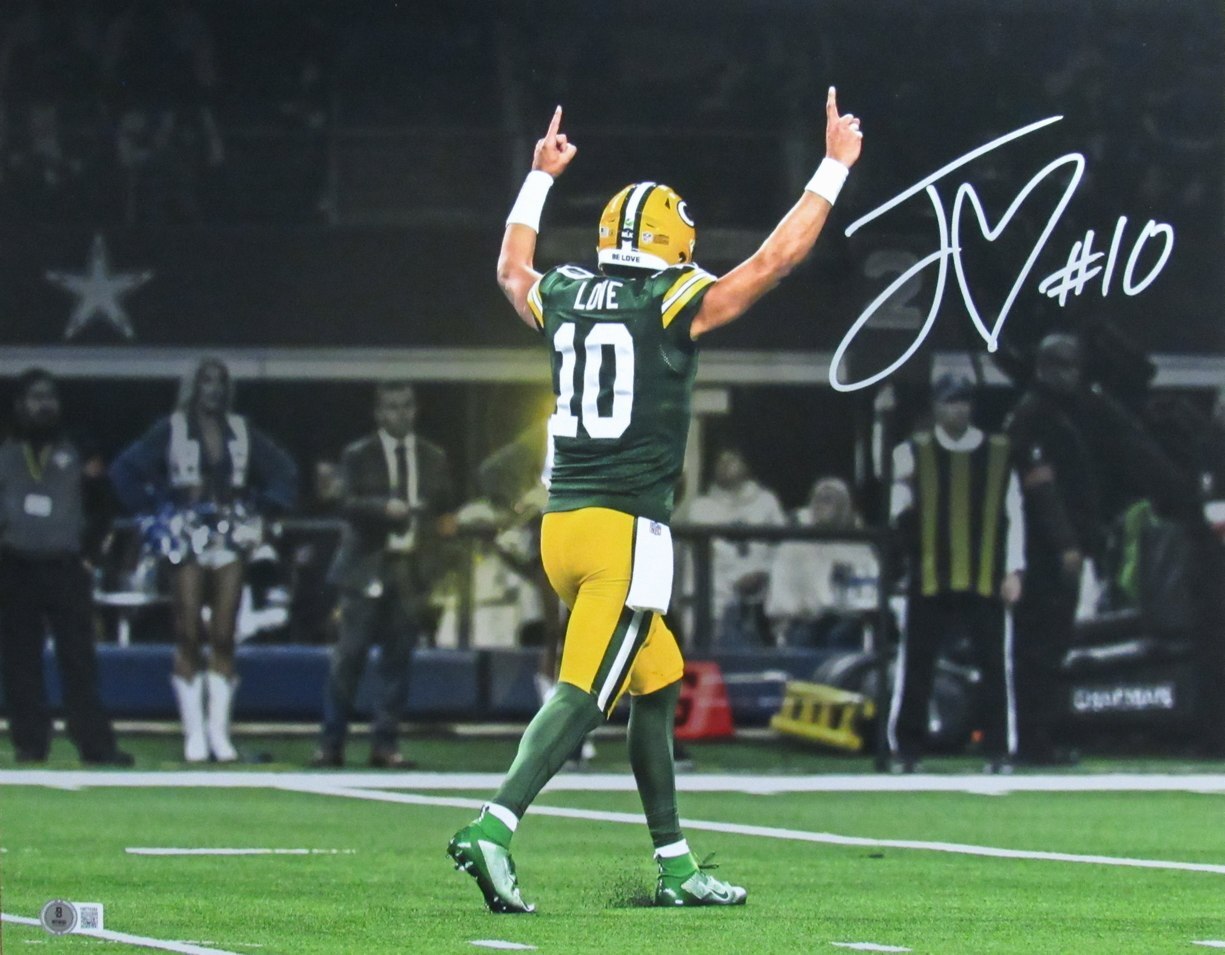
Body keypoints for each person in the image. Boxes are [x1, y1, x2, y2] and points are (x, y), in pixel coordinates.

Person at [447, 90, 863, 913]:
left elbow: (509, 269)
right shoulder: (666, 301)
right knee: (583, 692)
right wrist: (832, 168)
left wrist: (538, 179)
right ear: (673, 244)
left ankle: (674, 864)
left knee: (659, 678)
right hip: (624, 530)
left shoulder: (569, 291)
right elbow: (770, 265)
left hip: (563, 527)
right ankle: (493, 826)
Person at [110, 357, 297, 762]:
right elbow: (124, 469)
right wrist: (154, 508)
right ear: (193, 387)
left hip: (231, 530)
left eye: (220, 381)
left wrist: (263, 508)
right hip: (186, 528)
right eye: (206, 381)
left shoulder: (242, 430)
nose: (213, 389)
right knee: (189, 631)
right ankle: (194, 735)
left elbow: (283, 471)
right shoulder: (172, 428)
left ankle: (219, 734)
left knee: (225, 633)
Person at [311, 381, 456, 769]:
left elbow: (443, 508)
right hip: (364, 568)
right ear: (378, 413)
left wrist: (434, 564)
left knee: (398, 659)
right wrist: (384, 509)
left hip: (409, 569)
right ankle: (331, 743)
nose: (400, 414)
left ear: (415, 409)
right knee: (349, 657)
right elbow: (345, 502)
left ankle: (385, 744)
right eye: (392, 407)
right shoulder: (358, 455)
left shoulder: (433, 457)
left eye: (406, 406)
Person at [886, 374, 1025, 773]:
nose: (958, 409)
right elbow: (899, 511)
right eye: (950, 401)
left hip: (984, 573)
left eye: (963, 401)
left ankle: (998, 749)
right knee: (917, 664)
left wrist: (1014, 570)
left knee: (994, 665)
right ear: (936, 407)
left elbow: (1013, 513)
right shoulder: (911, 452)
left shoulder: (998, 452)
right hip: (930, 573)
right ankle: (907, 749)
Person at [0, 368, 132, 765]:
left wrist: (90, 555)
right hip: (15, 567)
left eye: (50, 397)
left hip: (66, 567)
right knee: (19, 661)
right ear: (19, 404)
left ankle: (95, 745)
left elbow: (105, 505)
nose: (45, 405)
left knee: (79, 660)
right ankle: (30, 743)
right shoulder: (4, 447)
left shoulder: (79, 448)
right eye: (36, 397)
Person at [1005, 336, 1097, 765]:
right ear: (1044, 367)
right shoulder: (1035, 415)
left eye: (1074, 366)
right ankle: (1033, 740)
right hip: (1042, 551)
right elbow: (1040, 488)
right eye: (1062, 366)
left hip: (1058, 546)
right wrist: (1065, 543)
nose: (1070, 374)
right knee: (1039, 646)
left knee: (1052, 645)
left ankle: (1043, 736)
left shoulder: (1063, 413)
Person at [675, 446, 786, 645]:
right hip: (713, 593)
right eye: (721, 461)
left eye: (732, 460)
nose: (726, 466)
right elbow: (691, 563)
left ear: (745, 465)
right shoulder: (701, 507)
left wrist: (762, 573)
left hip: (759, 594)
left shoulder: (766, 503)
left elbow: (782, 550)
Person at [764, 476, 878, 648]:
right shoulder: (793, 545)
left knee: (841, 634)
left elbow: (868, 592)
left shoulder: (859, 547)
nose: (819, 505)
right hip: (800, 622)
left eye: (828, 500)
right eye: (816, 499)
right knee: (804, 635)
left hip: (847, 620)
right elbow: (781, 596)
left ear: (843, 506)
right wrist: (800, 610)